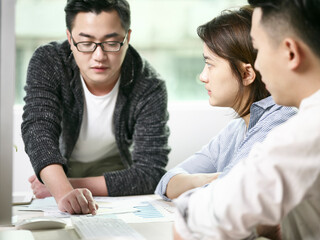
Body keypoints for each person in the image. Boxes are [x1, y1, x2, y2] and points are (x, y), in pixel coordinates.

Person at [173, 0, 320, 239]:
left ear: (291, 53)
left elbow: (189, 224)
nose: (258, 65)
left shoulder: (300, 136)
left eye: (259, 49)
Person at [21, 0, 170, 215]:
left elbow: (151, 172)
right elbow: (38, 128)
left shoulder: (149, 84)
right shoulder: (49, 61)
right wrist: (61, 190)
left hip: (116, 178)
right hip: (60, 166)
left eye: (111, 43)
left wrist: (68, 185)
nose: (99, 56)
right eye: (86, 43)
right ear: (70, 39)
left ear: (127, 38)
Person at [155, 6, 296, 201]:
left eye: (210, 64)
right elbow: (166, 183)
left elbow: (228, 198)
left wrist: (212, 183)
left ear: (246, 74)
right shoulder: (235, 129)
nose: (203, 76)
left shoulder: (280, 122)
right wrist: (210, 179)